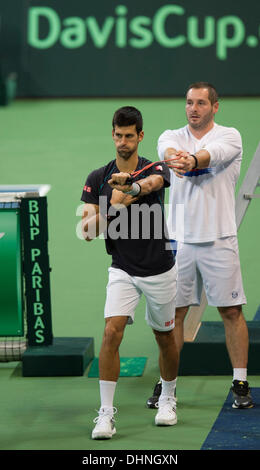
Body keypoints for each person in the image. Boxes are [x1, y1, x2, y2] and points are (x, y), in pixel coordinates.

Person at [146, 82, 253, 410]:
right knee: (173, 315)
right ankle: (167, 386)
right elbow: (167, 153)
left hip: (220, 239)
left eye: (202, 103)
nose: (194, 108)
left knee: (231, 311)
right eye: (190, 102)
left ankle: (240, 381)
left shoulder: (229, 136)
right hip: (179, 241)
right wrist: (177, 158)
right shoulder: (170, 136)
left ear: (215, 107)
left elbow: (212, 155)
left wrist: (192, 160)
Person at [81, 106, 180, 440]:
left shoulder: (156, 167)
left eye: (129, 135)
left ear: (140, 135)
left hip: (158, 269)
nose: (123, 141)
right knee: (111, 332)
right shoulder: (97, 178)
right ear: (112, 134)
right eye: (118, 135)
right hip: (121, 267)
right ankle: (106, 414)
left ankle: (168, 397)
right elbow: (86, 230)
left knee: (165, 337)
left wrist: (132, 189)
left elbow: (153, 183)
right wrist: (113, 207)